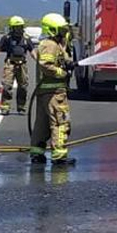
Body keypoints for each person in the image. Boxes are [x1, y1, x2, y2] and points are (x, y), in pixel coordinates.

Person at [30, 13, 75, 166]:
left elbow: (56, 59)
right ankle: (59, 155)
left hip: (45, 92)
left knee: (42, 125)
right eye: (61, 30)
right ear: (52, 30)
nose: (64, 33)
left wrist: (69, 62)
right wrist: (62, 72)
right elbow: (46, 64)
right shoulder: (50, 44)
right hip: (54, 92)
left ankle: (37, 152)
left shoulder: (52, 44)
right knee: (60, 121)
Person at [0, 16, 35, 114]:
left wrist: (39, 61)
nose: (19, 29)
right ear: (12, 28)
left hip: (22, 65)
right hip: (10, 64)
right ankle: (5, 107)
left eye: (20, 27)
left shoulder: (26, 38)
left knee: (23, 86)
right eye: (17, 27)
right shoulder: (6, 38)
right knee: (6, 85)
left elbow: (32, 51)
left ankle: (21, 107)